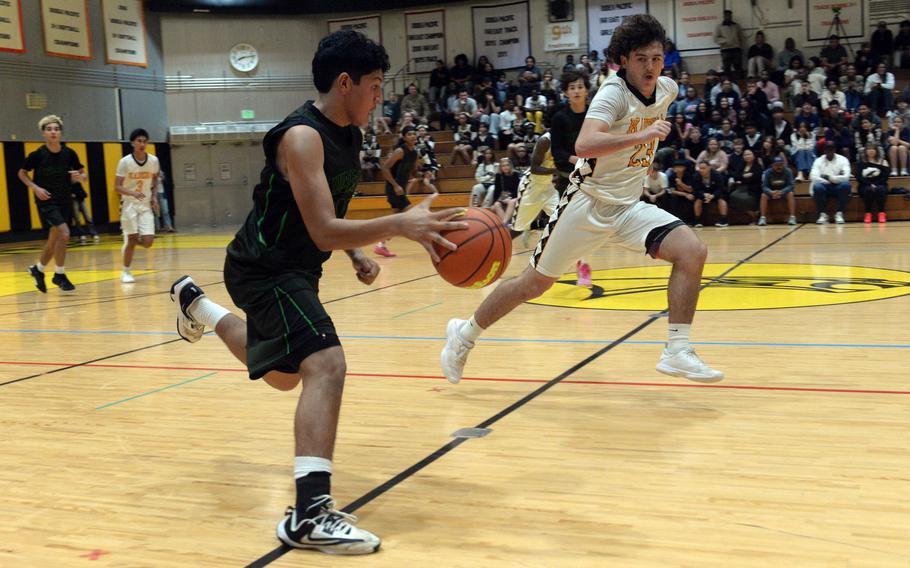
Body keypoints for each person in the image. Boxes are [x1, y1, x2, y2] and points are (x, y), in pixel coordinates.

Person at [169, 31, 466, 556]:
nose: (380, 97)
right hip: (264, 267)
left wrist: (354, 253)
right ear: (345, 82)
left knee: (286, 378)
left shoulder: (347, 132)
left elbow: (327, 216)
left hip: (296, 268)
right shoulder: (302, 137)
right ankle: (309, 514)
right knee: (326, 364)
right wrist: (398, 225)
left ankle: (196, 303)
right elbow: (324, 228)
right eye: (374, 86)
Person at [440, 14, 723, 384]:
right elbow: (584, 144)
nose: (651, 66)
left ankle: (677, 349)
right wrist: (643, 137)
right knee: (533, 283)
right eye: (641, 58)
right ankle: (464, 335)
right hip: (586, 205)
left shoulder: (667, 89)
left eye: (656, 58)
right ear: (623, 58)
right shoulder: (613, 93)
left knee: (692, 251)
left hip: (628, 206)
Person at [18, 115, 83, 292]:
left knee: (56, 238)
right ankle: (59, 274)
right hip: (46, 201)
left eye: (56, 129)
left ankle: (38, 269)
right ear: (43, 133)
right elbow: (22, 173)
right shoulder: (37, 154)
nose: (53, 132)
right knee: (65, 233)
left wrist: (80, 177)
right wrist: (35, 188)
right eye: (49, 129)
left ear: (60, 132)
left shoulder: (69, 153)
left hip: (64, 200)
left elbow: (82, 173)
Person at [549, 69, 594, 287]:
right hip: (569, 178)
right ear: (566, 92)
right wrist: (577, 160)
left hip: (595, 177)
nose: (576, 91)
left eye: (580, 86)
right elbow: (556, 151)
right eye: (572, 87)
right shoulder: (559, 118)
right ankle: (581, 263)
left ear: (586, 90)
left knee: (585, 224)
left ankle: (581, 262)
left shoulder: (595, 114)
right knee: (572, 224)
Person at [115, 128, 160, 283]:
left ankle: (130, 242)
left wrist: (154, 196)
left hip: (145, 205)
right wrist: (132, 193)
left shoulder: (153, 161)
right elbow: (117, 187)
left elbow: (155, 179)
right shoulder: (125, 162)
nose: (142, 144)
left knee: (148, 242)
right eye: (139, 141)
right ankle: (126, 271)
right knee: (132, 238)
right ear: (132, 143)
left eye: (144, 141)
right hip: (129, 204)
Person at [375, 126, 422, 257]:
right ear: (404, 137)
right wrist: (395, 185)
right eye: (409, 134)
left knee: (396, 220)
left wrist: (419, 174)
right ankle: (433, 242)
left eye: (414, 133)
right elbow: (384, 168)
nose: (413, 136)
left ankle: (381, 244)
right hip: (394, 189)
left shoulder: (414, 152)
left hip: (401, 190)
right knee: (413, 215)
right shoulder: (400, 151)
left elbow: (413, 170)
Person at [511, 130, 557, 240]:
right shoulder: (545, 140)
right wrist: (557, 170)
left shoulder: (567, 141)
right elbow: (534, 169)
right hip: (532, 185)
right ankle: (498, 250)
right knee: (518, 230)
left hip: (548, 186)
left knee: (563, 218)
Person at [810, 141, 851, 224]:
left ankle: (839, 213)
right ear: (824, 150)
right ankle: (823, 214)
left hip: (837, 187)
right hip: (824, 187)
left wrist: (829, 177)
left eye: (831, 148)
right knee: (817, 187)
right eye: (827, 149)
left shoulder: (843, 160)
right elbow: (813, 177)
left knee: (846, 185)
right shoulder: (818, 161)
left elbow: (846, 177)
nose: (829, 151)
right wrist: (834, 179)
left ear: (835, 149)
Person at [856, 143, 890, 224]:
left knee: (880, 190)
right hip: (865, 185)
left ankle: (881, 213)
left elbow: (885, 177)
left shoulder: (883, 162)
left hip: (880, 184)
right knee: (868, 190)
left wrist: (876, 184)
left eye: (873, 149)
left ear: (876, 151)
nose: (871, 151)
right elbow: (859, 177)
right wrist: (869, 184)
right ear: (866, 151)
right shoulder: (861, 163)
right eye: (869, 149)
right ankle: (868, 213)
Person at [758, 156, 796, 226]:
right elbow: (764, 186)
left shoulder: (788, 171)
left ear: (783, 164)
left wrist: (782, 192)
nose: (779, 167)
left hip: (784, 192)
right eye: (776, 165)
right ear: (772, 165)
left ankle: (792, 217)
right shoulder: (768, 172)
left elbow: (791, 185)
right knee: (763, 195)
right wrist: (771, 192)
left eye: (781, 165)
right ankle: (763, 218)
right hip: (772, 193)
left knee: (790, 194)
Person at [691, 161, 729, 227]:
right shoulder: (696, 176)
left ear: (709, 168)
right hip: (703, 194)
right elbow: (697, 189)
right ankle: (697, 220)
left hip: (715, 193)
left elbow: (720, 188)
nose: (701, 170)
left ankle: (723, 220)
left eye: (703, 168)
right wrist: (704, 195)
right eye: (700, 168)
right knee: (698, 200)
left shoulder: (717, 175)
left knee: (721, 200)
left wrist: (713, 196)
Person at [713, 10, 744, 79]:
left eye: (729, 15)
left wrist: (739, 45)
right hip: (725, 50)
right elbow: (715, 38)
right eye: (726, 15)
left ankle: (740, 83)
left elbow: (741, 37)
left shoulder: (736, 26)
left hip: (736, 49)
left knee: (738, 67)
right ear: (723, 16)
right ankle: (729, 83)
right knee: (727, 69)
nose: (728, 17)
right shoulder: (719, 27)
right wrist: (725, 41)